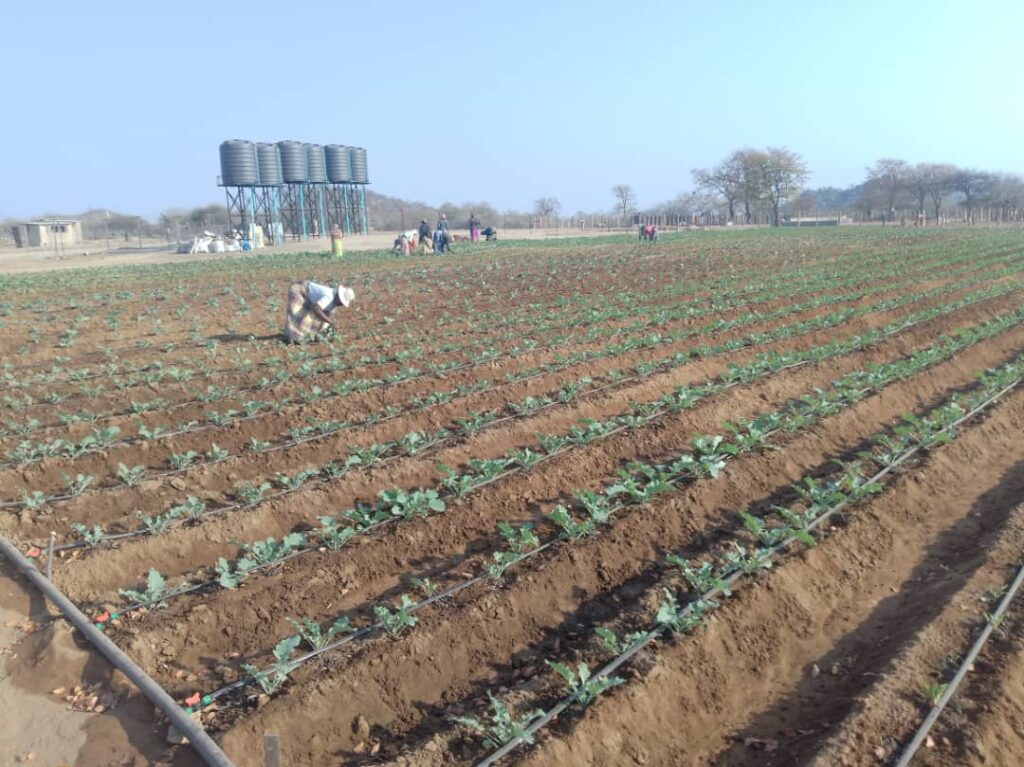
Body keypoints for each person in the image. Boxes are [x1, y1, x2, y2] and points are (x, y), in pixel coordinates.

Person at [283, 280, 355, 343]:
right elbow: (316, 308)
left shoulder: (335, 300)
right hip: (299, 290)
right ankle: (291, 338)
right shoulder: (329, 297)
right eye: (342, 302)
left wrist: (330, 325)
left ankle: (302, 335)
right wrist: (330, 322)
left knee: (315, 320)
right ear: (339, 297)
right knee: (298, 316)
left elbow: (327, 313)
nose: (341, 304)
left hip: (309, 297)